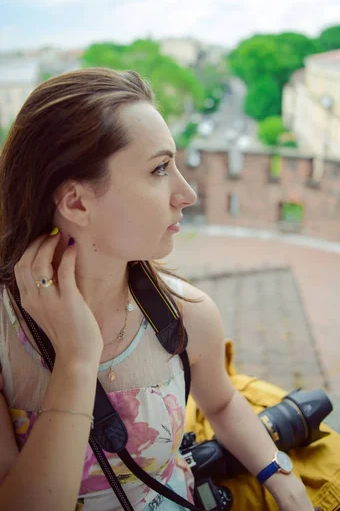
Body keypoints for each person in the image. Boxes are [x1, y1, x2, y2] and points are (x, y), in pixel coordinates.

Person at [0, 68, 317, 511]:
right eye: (160, 169)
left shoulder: (185, 314)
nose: (186, 193)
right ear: (76, 202)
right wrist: (76, 359)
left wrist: (283, 480)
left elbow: (222, 405)